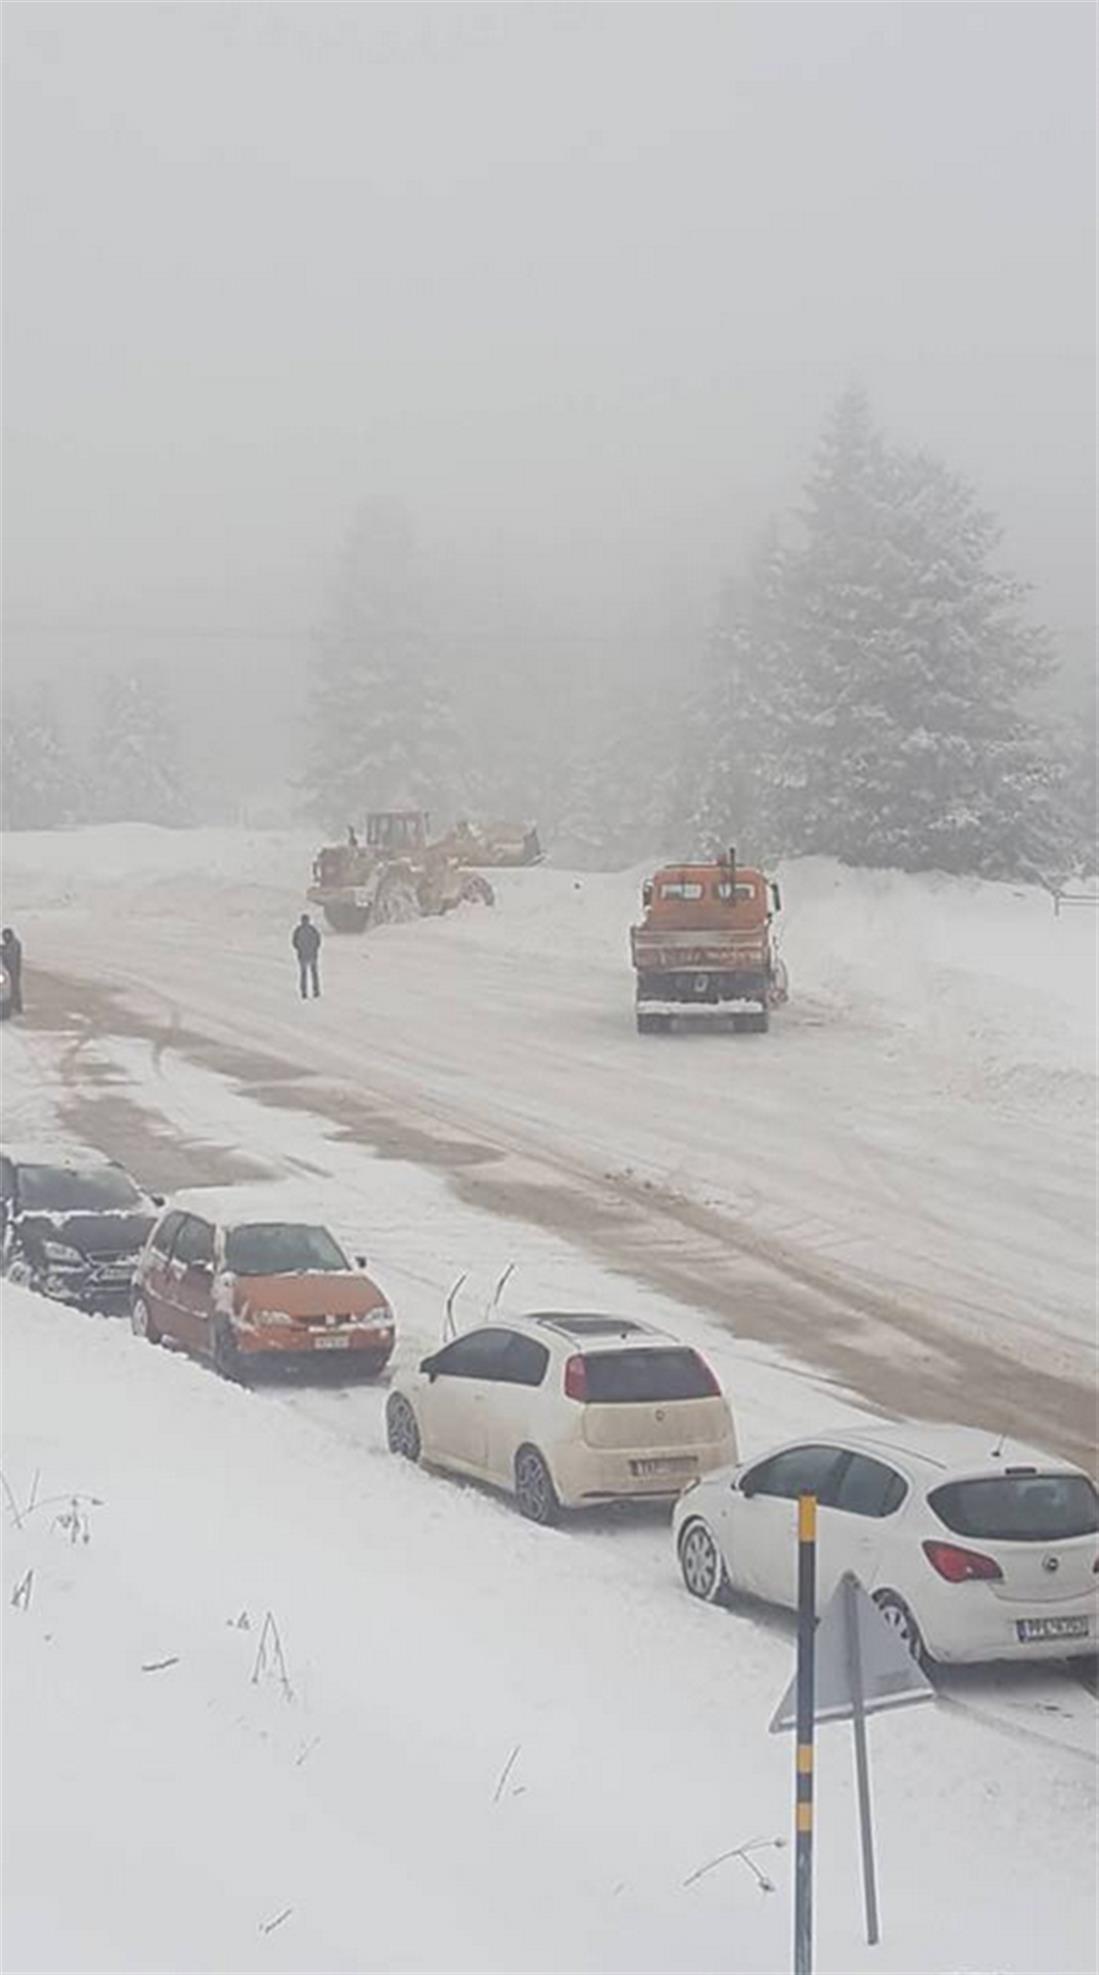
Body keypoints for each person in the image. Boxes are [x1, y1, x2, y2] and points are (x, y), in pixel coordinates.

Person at [291, 913, 322, 1000]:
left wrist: (300, 950)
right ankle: (315, 991)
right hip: (311, 955)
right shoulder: (312, 930)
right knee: (313, 974)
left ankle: (305, 992)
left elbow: (294, 942)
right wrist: (314, 950)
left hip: (304, 956)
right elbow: (318, 941)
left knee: (304, 975)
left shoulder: (299, 930)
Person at [1, 928, 23, 1015]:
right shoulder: (12, 944)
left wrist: (2, 951)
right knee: (14, 989)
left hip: (13, 970)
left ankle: (17, 1007)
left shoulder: (14, 944)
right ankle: (16, 1006)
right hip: (11, 970)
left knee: (14, 988)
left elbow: (9, 954)